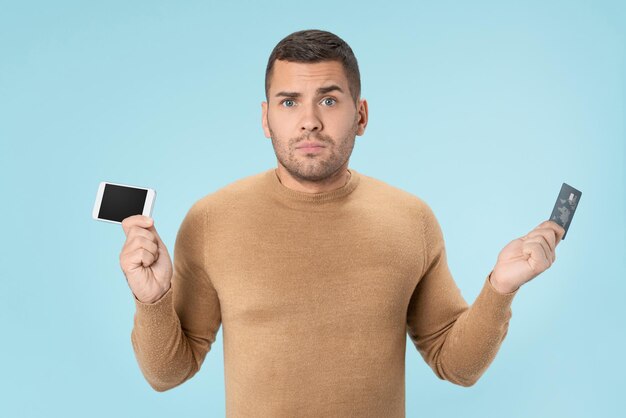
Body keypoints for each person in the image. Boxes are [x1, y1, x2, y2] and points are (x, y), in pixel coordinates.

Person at [119, 29, 565, 417]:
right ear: (265, 118)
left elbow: (457, 365)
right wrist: (152, 299)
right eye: (289, 101)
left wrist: (501, 288)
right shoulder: (210, 220)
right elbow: (168, 374)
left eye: (329, 100)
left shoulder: (412, 220)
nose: (309, 121)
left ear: (361, 115)